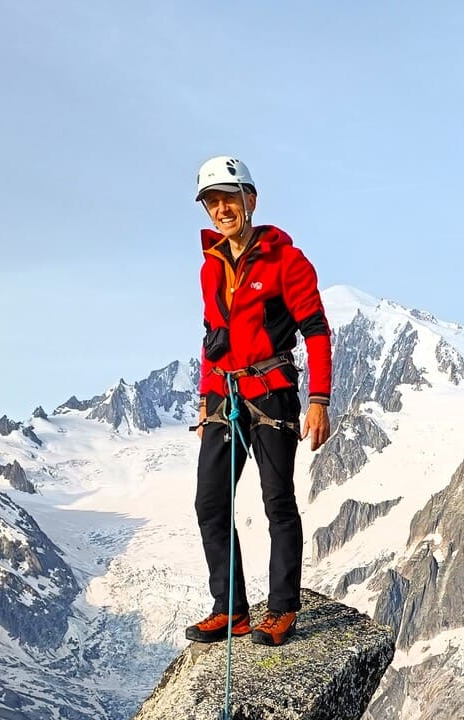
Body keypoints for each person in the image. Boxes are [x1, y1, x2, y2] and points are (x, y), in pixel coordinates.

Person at [184, 156, 332, 648]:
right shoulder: (210, 268)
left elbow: (315, 330)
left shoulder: (286, 261)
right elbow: (213, 339)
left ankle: (282, 609)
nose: (222, 208)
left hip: (273, 395)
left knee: (277, 501)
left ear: (251, 198)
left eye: (229, 197)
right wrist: (207, 402)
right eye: (212, 201)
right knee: (210, 501)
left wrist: (319, 399)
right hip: (225, 398)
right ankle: (231, 609)